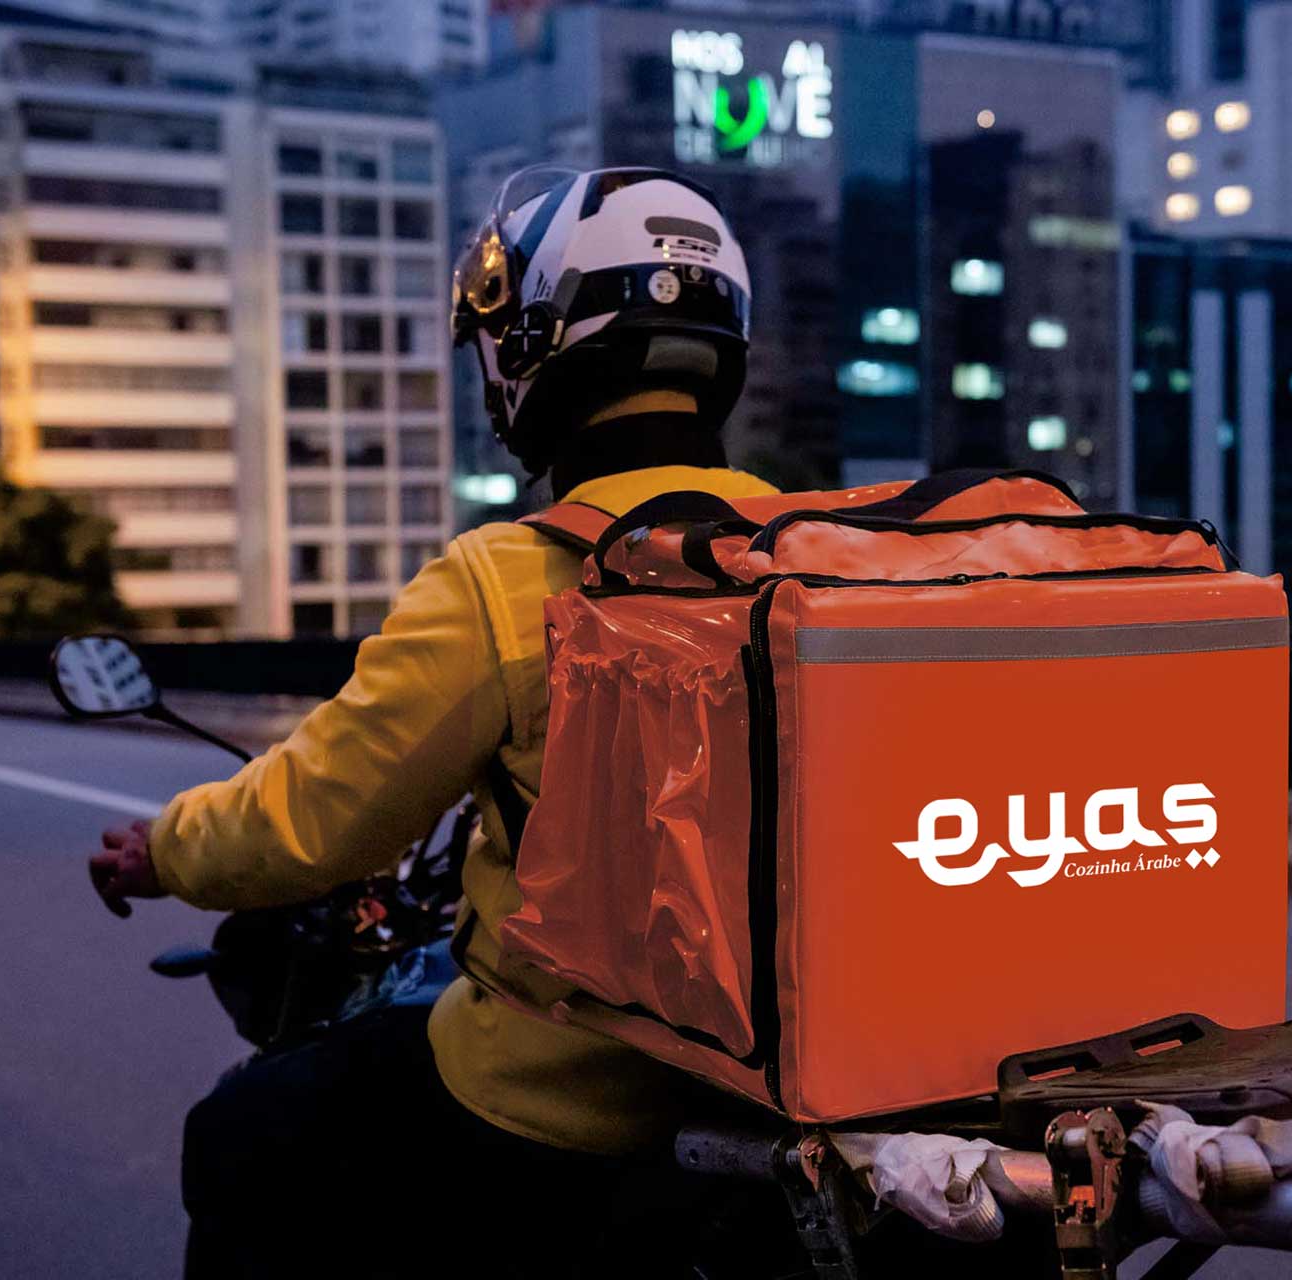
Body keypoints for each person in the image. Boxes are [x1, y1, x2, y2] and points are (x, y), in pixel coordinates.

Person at [85, 167, 783, 1278]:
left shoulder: (506, 581)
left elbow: (318, 817)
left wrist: (166, 848)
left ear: (529, 349)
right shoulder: (812, 565)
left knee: (241, 1131)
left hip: (557, 1097)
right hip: (771, 1088)